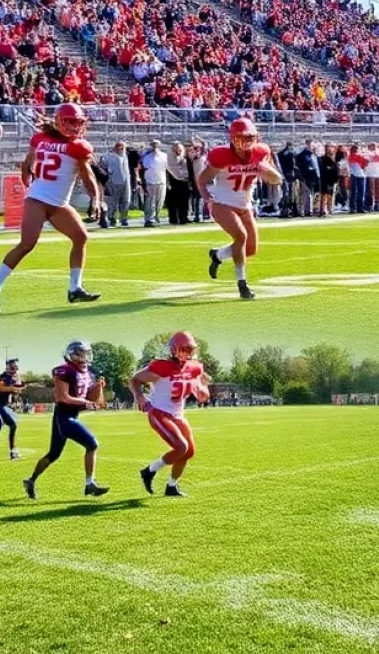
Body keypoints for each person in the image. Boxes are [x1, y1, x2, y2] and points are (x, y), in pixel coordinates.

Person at [0, 103, 101, 315]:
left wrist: (27, 180)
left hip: (57, 203)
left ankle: (75, 288)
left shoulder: (42, 139)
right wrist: (96, 198)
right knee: (27, 244)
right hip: (38, 200)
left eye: (77, 122)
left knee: (80, 237)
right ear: (59, 121)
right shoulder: (77, 146)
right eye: (70, 122)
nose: (75, 126)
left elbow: (26, 164)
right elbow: (87, 177)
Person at [197, 117, 282, 300]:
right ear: (233, 139)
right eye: (242, 137)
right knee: (241, 236)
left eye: (250, 137)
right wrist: (208, 199)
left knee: (250, 249)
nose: (247, 141)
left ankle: (218, 255)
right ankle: (242, 284)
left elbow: (276, 178)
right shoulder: (221, 155)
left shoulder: (261, 152)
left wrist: (267, 171)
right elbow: (201, 180)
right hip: (223, 202)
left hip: (245, 204)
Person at [23, 340, 108, 500]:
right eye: (82, 353)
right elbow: (63, 397)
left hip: (71, 415)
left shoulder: (88, 372)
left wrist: (98, 389)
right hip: (64, 416)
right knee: (92, 444)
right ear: (74, 354)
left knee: (53, 454)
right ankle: (90, 484)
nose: (85, 356)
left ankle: (30, 480)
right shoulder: (65, 370)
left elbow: (90, 397)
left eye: (86, 352)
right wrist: (87, 402)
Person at [131, 331, 209, 498]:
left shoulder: (195, 367)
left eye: (190, 349)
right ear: (174, 350)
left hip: (178, 414)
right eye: (183, 349)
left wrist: (203, 392)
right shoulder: (162, 366)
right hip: (159, 412)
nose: (187, 353)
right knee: (181, 447)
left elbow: (201, 387)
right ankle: (149, 471)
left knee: (188, 452)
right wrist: (139, 397)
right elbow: (135, 379)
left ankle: (171, 486)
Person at [101, 140, 131, 227]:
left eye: (123, 147)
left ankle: (124, 218)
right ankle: (112, 218)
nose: (121, 149)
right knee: (113, 202)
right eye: (119, 147)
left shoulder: (124, 156)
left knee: (126, 200)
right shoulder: (109, 156)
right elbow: (102, 166)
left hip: (126, 181)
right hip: (114, 181)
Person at [141, 139, 169, 227]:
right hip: (150, 181)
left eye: (156, 145)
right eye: (153, 145)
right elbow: (144, 168)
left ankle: (156, 215)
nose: (155, 146)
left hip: (161, 181)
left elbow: (167, 168)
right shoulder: (147, 157)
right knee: (150, 202)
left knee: (160, 201)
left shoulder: (164, 156)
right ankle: (149, 219)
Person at [166, 142, 191, 225]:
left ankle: (184, 218)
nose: (178, 150)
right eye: (176, 148)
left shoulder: (184, 158)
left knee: (184, 201)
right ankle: (173, 219)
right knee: (173, 202)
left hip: (184, 181)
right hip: (173, 181)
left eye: (180, 148)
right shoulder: (169, 158)